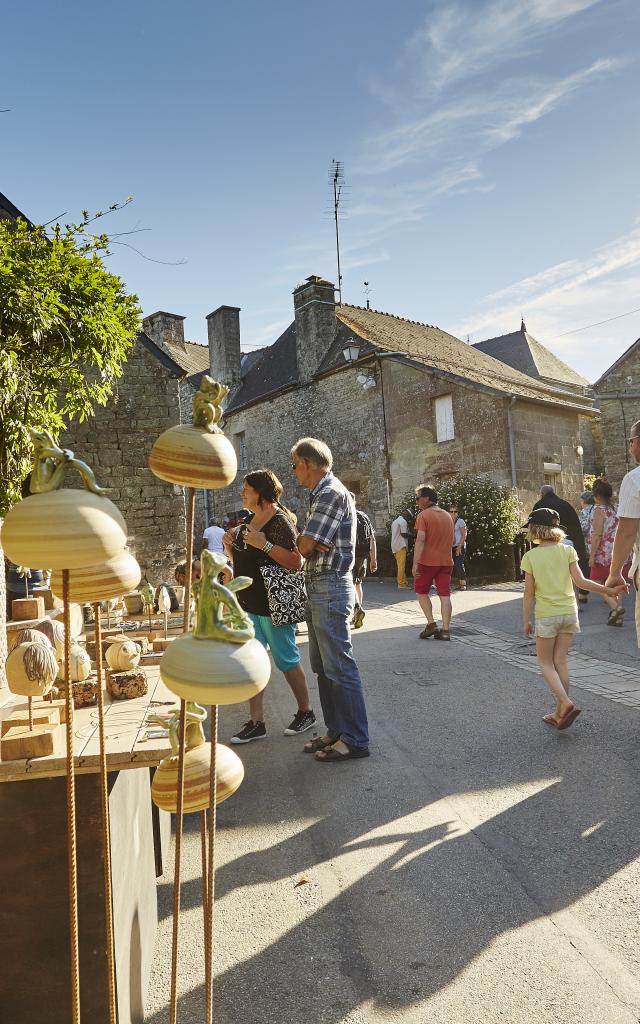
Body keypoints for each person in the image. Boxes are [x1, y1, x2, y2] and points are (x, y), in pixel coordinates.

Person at [292, 437, 370, 763]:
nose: (294, 471)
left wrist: (308, 539)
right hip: (319, 585)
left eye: (295, 464)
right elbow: (307, 543)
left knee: (339, 666)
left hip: (329, 585)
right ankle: (336, 731)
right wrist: (308, 539)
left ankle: (355, 740)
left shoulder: (330, 493)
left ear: (309, 464)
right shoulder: (321, 494)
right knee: (323, 667)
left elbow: (305, 547)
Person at [222, 469, 315, 743]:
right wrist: (230, 547)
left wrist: (264, 545)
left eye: (246, 489)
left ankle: (305, 712)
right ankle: (256, 722)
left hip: (275, 606)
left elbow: (296, 562)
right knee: (254, 663)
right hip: (251, 604)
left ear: (260, 492)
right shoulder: (249, 520)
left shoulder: (280, 521)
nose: (242, 493)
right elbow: (242, 561)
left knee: (286, 660)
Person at [521, 507, 626, 729]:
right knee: (560, 661)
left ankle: (565, 703)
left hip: (547, 615)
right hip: (569, 613)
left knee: (545, 663)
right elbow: (581, 582)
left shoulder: (530, 556)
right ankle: (560, 711)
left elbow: (529, 593)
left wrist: (526, 620)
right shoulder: (568, 551)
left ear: (535, 529)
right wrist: (607, 591)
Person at [606, 421, 640, 644]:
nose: (629, 447)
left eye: (631, 441)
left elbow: (627, 532)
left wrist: (615, 572)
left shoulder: (634, 479)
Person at [532, 484, 589, 604]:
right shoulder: (565, 504)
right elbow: (575, 526)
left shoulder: (539, 506)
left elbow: (535, 527)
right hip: (569, 542)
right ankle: (578, 600)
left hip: (547, 545)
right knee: (571, 572)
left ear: (542, 494)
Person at [412, 485, 455, 640]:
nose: (417, 502)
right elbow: (454, 540)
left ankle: (431, 623)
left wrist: (415, 563)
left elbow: (421, 539)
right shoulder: (447, 515)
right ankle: (445, 631)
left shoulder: (423, 516)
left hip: (427, 562)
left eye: (418, 498)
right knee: (445, 595)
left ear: (426, 499)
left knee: (421, 591)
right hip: (446, 561)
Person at [587, 478, 626, 626]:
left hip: (602, 552)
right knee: (616, 579)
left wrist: (591, 556)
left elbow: (597, 535)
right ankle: (618, 615)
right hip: (618, 549)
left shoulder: (599, 510)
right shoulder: (615, 508)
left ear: (596, 495)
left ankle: (616, 607)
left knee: (596, 582)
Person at [351, 501, 377, 629]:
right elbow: (372, 538)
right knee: (358, 583)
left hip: (350, 554)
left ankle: (357, 608)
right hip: (363, 555)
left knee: (349, 583)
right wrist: (374, 559)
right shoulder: (364, 516)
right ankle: (357, 613)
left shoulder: (345, 514)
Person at [390, 510, 411, 589]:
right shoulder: (403, 522)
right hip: (401, 545)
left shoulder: (395, 521)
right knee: (401, 566)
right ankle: (401, 584)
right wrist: (412, 535)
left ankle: (404, 582)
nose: (408, 519)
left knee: (400, 565)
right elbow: (403, 534)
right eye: (409, 517)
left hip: (395, 545)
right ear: (407, 515)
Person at [449, 504, 468, 591]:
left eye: (455, 511)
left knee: (459, 564)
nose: (453, 513)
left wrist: (460, 546)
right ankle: (459, 584)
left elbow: (464, 534)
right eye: (451, 511)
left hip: (459, 545)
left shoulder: (460, 521)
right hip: (451, 546)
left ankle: (463, 584)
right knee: (452, 565)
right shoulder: (448, 521)